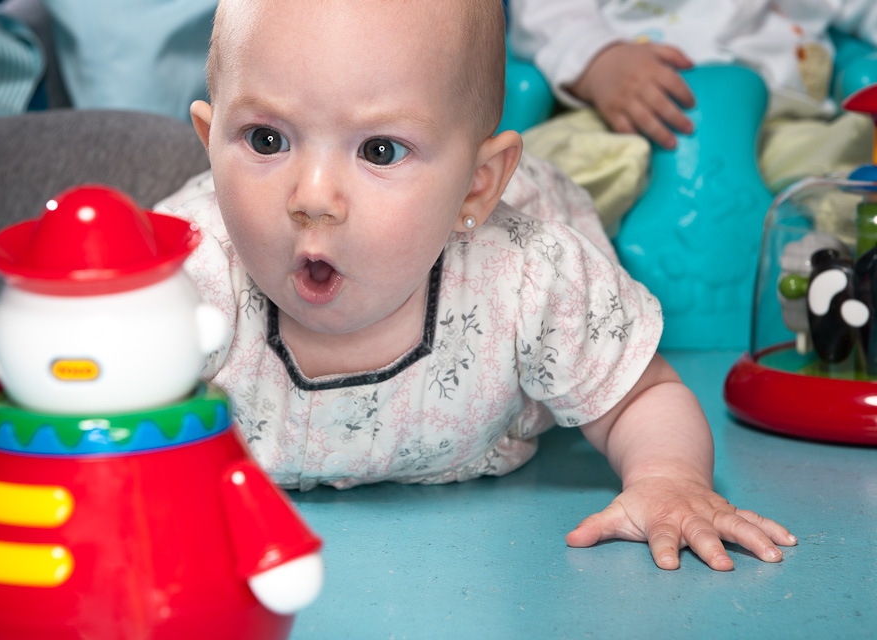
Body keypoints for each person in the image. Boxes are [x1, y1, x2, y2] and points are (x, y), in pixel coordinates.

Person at [157, 0, 796, 572]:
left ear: (476, 185)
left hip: (510, 215)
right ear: (212, 146)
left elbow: (639, 394)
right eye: (266, 139)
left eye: (380, 151)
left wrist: (668, 477)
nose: (314, 197)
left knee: (584, 213)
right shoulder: (184, 281)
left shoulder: (530, 281)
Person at [508, 0, 877, 150]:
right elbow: (544, 14)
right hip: (628, 126)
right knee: (554, 163)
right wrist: (599, 59)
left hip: (782, 124)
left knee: (847, 163)